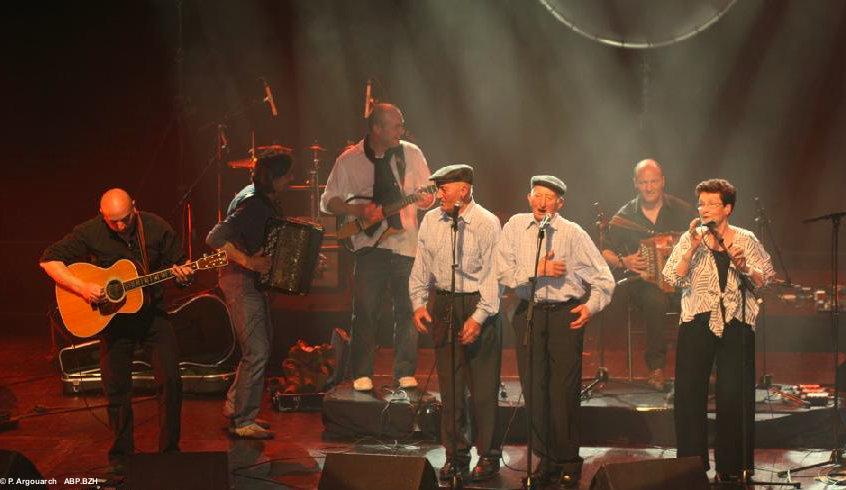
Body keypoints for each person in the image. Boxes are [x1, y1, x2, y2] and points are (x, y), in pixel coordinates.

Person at [40, 188, 192, 471]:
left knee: (171, 380)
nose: (121, 226)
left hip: (151, 315)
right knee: (116, 389)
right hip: (112, 320)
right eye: (113, 222)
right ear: (102, 216)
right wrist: (82, 286)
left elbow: (180, 265)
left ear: (135, 207)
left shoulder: (156, 227)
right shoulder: (90, 232)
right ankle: (122, 458)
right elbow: (48, 260)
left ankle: (170, 454)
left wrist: (183, 274)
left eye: (125, 219)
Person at [495, 175, 615, 488]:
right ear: (528, 197)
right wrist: (538, 271)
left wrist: (590, 307)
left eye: (549, 197)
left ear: (559, 203)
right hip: (529, 314)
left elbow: (604, 279)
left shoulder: (573, 233)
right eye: (537, 195)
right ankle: (545, 460)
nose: (542, 202)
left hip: (564, 316)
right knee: (534, 390)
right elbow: (503, 273)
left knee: (562, 392)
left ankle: (567, 462)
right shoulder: (514, 227)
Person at [662, 178, 774, 482]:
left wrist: (745, 266)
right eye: (701, 203)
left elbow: (766, 277)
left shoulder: (745, 238)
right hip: (698, 320)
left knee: (734, 394)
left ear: (727, 208)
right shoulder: (691, 238)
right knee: (689, 394)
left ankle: (732, 467)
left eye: (711, 203)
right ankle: (691, 465)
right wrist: (690, 250)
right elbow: (670, 276)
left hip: (737, 321)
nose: (704, 208)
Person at [320, 103, 434, 392]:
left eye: (402, 125)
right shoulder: (349, 160)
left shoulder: (412, 153)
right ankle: (362, 372)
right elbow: (328, 200)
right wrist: (358, 211)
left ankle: (405, 372)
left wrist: (426, 199)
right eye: (396, 126)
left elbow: (428, 194)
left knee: (407, 310)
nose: (401, 131)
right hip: (369, 246)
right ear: (377, 129)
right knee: (366, 310)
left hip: (406, 244)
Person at [409, 164, 502, 482]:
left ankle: (489, 457)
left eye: (443, 188)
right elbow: (422, 263)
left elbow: (493, 274)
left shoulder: (487, 222)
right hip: (444, 302)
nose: (438, 195)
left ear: (464, 189)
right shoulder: (430, 220)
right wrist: (418, 302)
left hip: (478, 303)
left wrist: (478, 317)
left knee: (483, 389)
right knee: (450, 388)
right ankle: (456, 456)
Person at [206, 153, 294, 439]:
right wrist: (248, 262)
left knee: (258, 349)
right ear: (276, 177)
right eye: (287, 175)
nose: (291, 180)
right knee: (257, 352)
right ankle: (243, 420)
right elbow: (214, 237)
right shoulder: (253, 203)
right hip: (241, 283)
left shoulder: (260, 200)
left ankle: (236, 409)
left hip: (251, 284)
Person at [601, 159, 694, 390]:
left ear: (662, 181)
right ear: (636, 184)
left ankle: (701, 368)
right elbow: (604, 251)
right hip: (644, 284)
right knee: (655, 299)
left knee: (700, 296)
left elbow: (701, 237)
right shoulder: (625, 216)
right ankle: (656, 369)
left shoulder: (682, 210)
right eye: (644, 182)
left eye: (653, 181)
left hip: (681, 280)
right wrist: (625, 260)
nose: (649, 187)